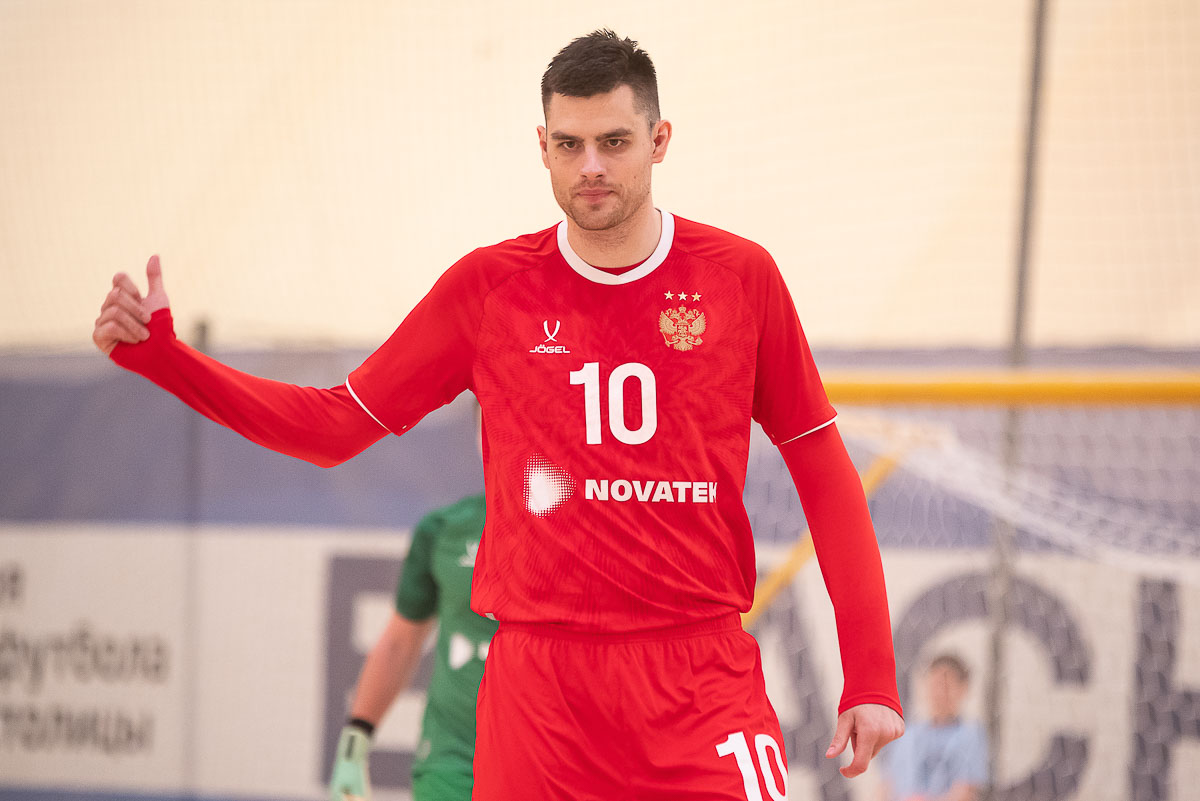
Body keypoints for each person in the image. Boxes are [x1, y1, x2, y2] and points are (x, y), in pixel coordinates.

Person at [93, 29, 904, 799]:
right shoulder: (489, 290)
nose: (591, 165)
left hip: (698, 678)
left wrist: (869, 673)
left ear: (659, 141)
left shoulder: (740, 277)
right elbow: (333, 427)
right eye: (569, 144)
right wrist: (165, 358)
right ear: (542, 145)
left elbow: (823, 470)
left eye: (614, 142)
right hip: (540, 695)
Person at [329, 492, 494, 801]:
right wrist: (354, 745)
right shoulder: (445, 527)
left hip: (545, 755)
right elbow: (399, 643)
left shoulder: (573, 526)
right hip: (451, 761)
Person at [879, 654, 988, 801]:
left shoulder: (970, 735)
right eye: (936, 684)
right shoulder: (907, 736)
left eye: (947, 686)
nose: (940, 693)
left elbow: (964, 793)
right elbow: (886, 786)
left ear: (963, 688)